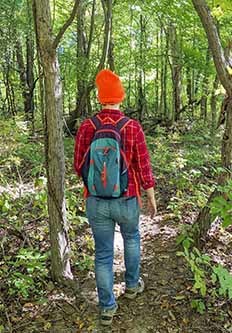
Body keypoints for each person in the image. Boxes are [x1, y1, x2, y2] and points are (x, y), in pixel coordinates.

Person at [74, 69, 157, 326]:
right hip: (127, 198)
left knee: (103, 253)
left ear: (100, 98)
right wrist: (151, 196)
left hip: (97, 202)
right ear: (120, 97)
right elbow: (143, 166)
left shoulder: (87, 126)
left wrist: (97, 185)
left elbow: (79, 165)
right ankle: (132, 286)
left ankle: (107, 306)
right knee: (132, 238)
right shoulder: (132, 127)